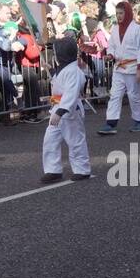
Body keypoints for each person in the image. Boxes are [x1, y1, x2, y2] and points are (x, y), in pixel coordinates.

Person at [41, 37, 91, 183]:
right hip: (58, 108)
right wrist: (49, 69)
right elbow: (58, 81)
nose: (54, 56)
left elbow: (71, 93)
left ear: (63, 54)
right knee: (50, 140)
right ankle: (53, 169)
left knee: (75, 140)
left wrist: (60, 111)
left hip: (69, 111)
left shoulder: (73, 71)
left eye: (56, 53)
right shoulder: (65, 69)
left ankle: (82, 169)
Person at [98, 0, 140, 134]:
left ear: (127, 13)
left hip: (133, 68)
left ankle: (139, 121)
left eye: (121, 13)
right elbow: (112, 46)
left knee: (134, 95)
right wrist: (110, 54)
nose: (119, 16)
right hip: (119, 68)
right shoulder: (115, 29)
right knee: (115, 95)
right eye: (117, 13)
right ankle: (111, 122)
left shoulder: (137, 29)